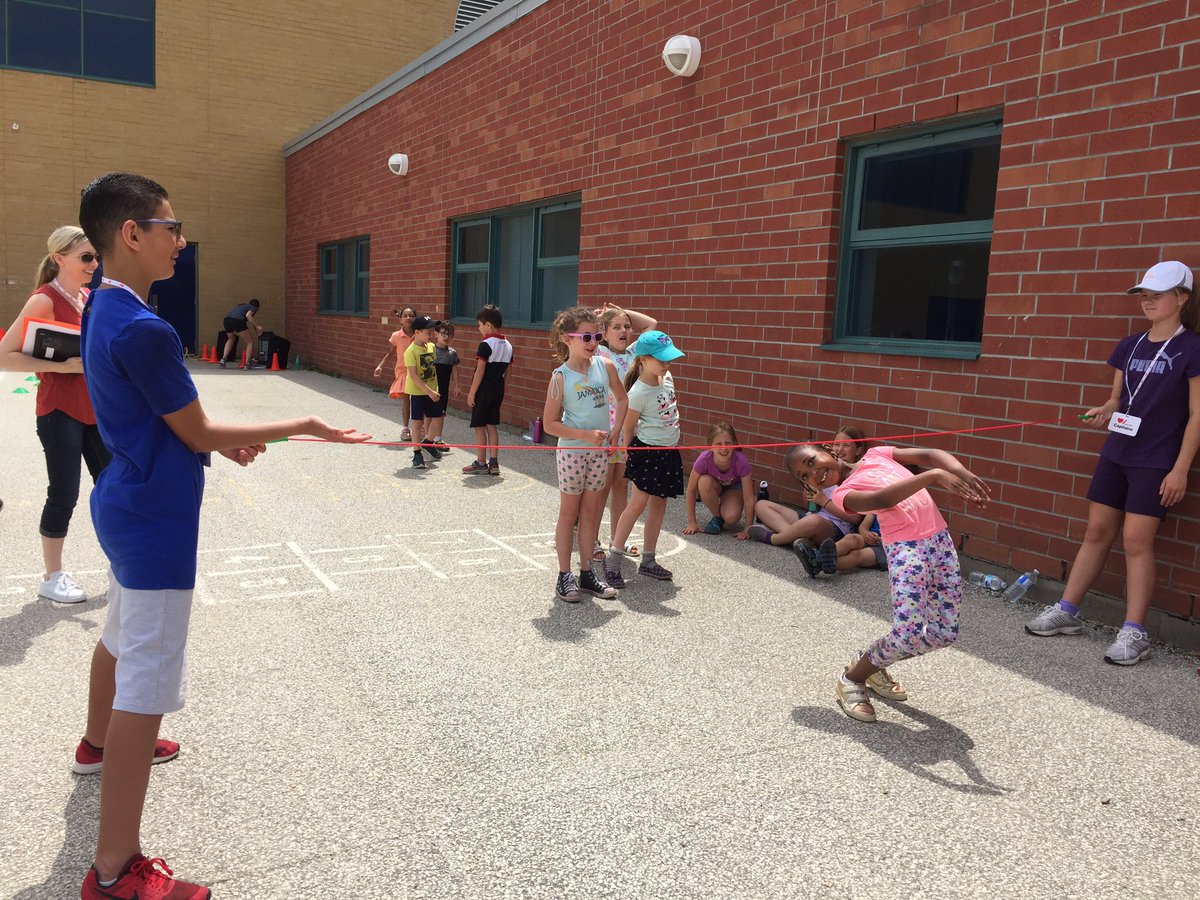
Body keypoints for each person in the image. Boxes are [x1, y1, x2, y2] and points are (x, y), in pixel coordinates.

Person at [76, 172, 370, 900]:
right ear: (131, 234)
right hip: (154, 522)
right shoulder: (144, 327)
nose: (180, 239)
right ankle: (114, 872)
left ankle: (96, 745)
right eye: (170, 227)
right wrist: (300, 422)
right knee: (145, 683)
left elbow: (171, 425)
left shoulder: (102, 308)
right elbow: (196, 425)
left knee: (119, 637)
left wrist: (206, 442)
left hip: (125, 497)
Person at [1025, 261, 1200, 666]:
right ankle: (1067, 611)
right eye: (1144, 294)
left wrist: (1180, 469)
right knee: (1097, 531)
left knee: (1137, 542)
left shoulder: (1192, 348)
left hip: (1156, 461)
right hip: (1116, 452)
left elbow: (1196, 415)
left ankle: (1135, 631)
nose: (1147, 301)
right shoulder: (1130, 345)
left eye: (1157, 295)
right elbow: (1117, 400)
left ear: (1182, 298)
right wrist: (1104, 409)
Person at [786, 441, 989, 723]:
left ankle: (872, 663)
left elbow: (930, 452)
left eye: (811, 462)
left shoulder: (876, 454)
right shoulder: (844, 494)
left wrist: (958, 471)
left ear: (828, 450)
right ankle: (851, 679)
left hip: (940, 541)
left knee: (944, 634)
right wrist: (933, 476)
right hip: (906, 549)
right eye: (804, 476)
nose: (813, 474)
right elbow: (882, 500)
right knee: (907, 634)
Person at [0, 225, 111, 604]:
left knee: (112, 485)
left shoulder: (86, 296)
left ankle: (120, 563)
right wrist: (68, 367)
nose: (93, 263)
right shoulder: (43, 300)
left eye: (96, 257)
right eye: (86, 257)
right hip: (59, 411)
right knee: (64, 493)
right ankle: (52, 576)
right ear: (59, 258)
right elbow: (5, 355)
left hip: (95, 410)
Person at [543, 306, 628, 601]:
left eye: (597, 335)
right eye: (587, 336)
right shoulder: (560, 377)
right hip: (572, 455)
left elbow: (622, 397)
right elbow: (550, 424)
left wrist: (616, 431)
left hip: (600, 454)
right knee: (569, 514)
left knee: (592, 514)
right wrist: (584, 435)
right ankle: (564, 575)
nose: (594, 342)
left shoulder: (605, 366)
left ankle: (587, 572)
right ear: (568, 339)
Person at [605, 331, 686, 585]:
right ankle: (613, 558)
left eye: (668, 358)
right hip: (647, 453)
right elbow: (629, 426)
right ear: (643, 359)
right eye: (661, 359)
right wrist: (629, 453)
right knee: (638, 502)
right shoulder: (638, 392)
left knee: (659, 503)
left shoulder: (668, 378)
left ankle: (648, 560)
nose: (667, 363)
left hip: (668, 453)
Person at [593, 303, 657, 554]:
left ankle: (615, 539)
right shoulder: (600, 353)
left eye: (627, 327)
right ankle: (592, 539)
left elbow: (651, 325)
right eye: (616, 327)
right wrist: (601, 320)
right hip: (608, 430)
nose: (624, 331)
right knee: (602, 488)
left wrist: (623, 311)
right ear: (604, 333)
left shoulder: (634, 353)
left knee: (621, 486)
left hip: (628, 431)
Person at [462, 304, 512, 477]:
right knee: (492, 425)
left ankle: (481, 462)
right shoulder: (508, 345)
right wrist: (502, 387)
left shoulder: (485, 344)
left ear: (488, 325)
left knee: (479, 426)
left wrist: (472, 392)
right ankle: (494, 462)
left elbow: (480, 370)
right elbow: (508, 372)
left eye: (480, 325)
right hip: (498, 388)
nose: (479, 328)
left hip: (483, 389)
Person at [682, 421, 755, 539]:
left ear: (735, 444)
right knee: (703, 481)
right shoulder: (704, 459)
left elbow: (749, 498)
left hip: (734, 489)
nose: (724, 448)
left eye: (728, 443)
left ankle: (723, 513)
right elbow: (690, 490)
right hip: (714, 486)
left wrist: (747, 528)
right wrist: (692, 522)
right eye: (718, 444)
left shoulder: (741, 462)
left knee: (731, 518)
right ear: (710, 446)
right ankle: (717, 517)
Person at [405, 316, 445, 469]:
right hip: (418, 392)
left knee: (438, 418)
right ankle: (417, 453)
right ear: (417, 332)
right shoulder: (411, 351)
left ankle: (428, 442)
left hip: (432, 391)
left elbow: (431, 370)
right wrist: (429, 391)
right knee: (417, 423)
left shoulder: (431, 347)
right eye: (428, 333)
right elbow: (414, 377)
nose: (431, 336)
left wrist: (434, 390)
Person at [374, 306, 417, 441]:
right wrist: (380, 366)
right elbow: (390, 353)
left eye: (411, 315)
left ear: (415, 318)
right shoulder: (396, 336)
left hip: (418, 371)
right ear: (400, 320)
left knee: (419, 400)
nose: (408, 318)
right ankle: (405, 428)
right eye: (405, 316)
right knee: (406, 399)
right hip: (403, 372)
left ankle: (419, 427)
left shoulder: (420, 334)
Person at [432, 320, 460, 450]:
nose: (446, 337)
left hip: (444, 388)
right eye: (443, 334)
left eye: (450, 334)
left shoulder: (452, 353)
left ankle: (438, 439)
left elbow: (454, 370)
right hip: (431, 387)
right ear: (435, 334)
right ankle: (428, 438)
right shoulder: (430, 349)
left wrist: (456, 385)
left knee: (441, 413)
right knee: (429, 414)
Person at [218, 298, 261, 368]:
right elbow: (248, 315)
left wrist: (255, 328)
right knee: (250, 342)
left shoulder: (242, 307)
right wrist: (258, 326)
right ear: (258, 307)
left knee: (231, 338)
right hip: (237, 321)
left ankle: (223, 359)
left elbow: (247, 321)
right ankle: (247, 364)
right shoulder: (253, 307)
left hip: (227, 320)